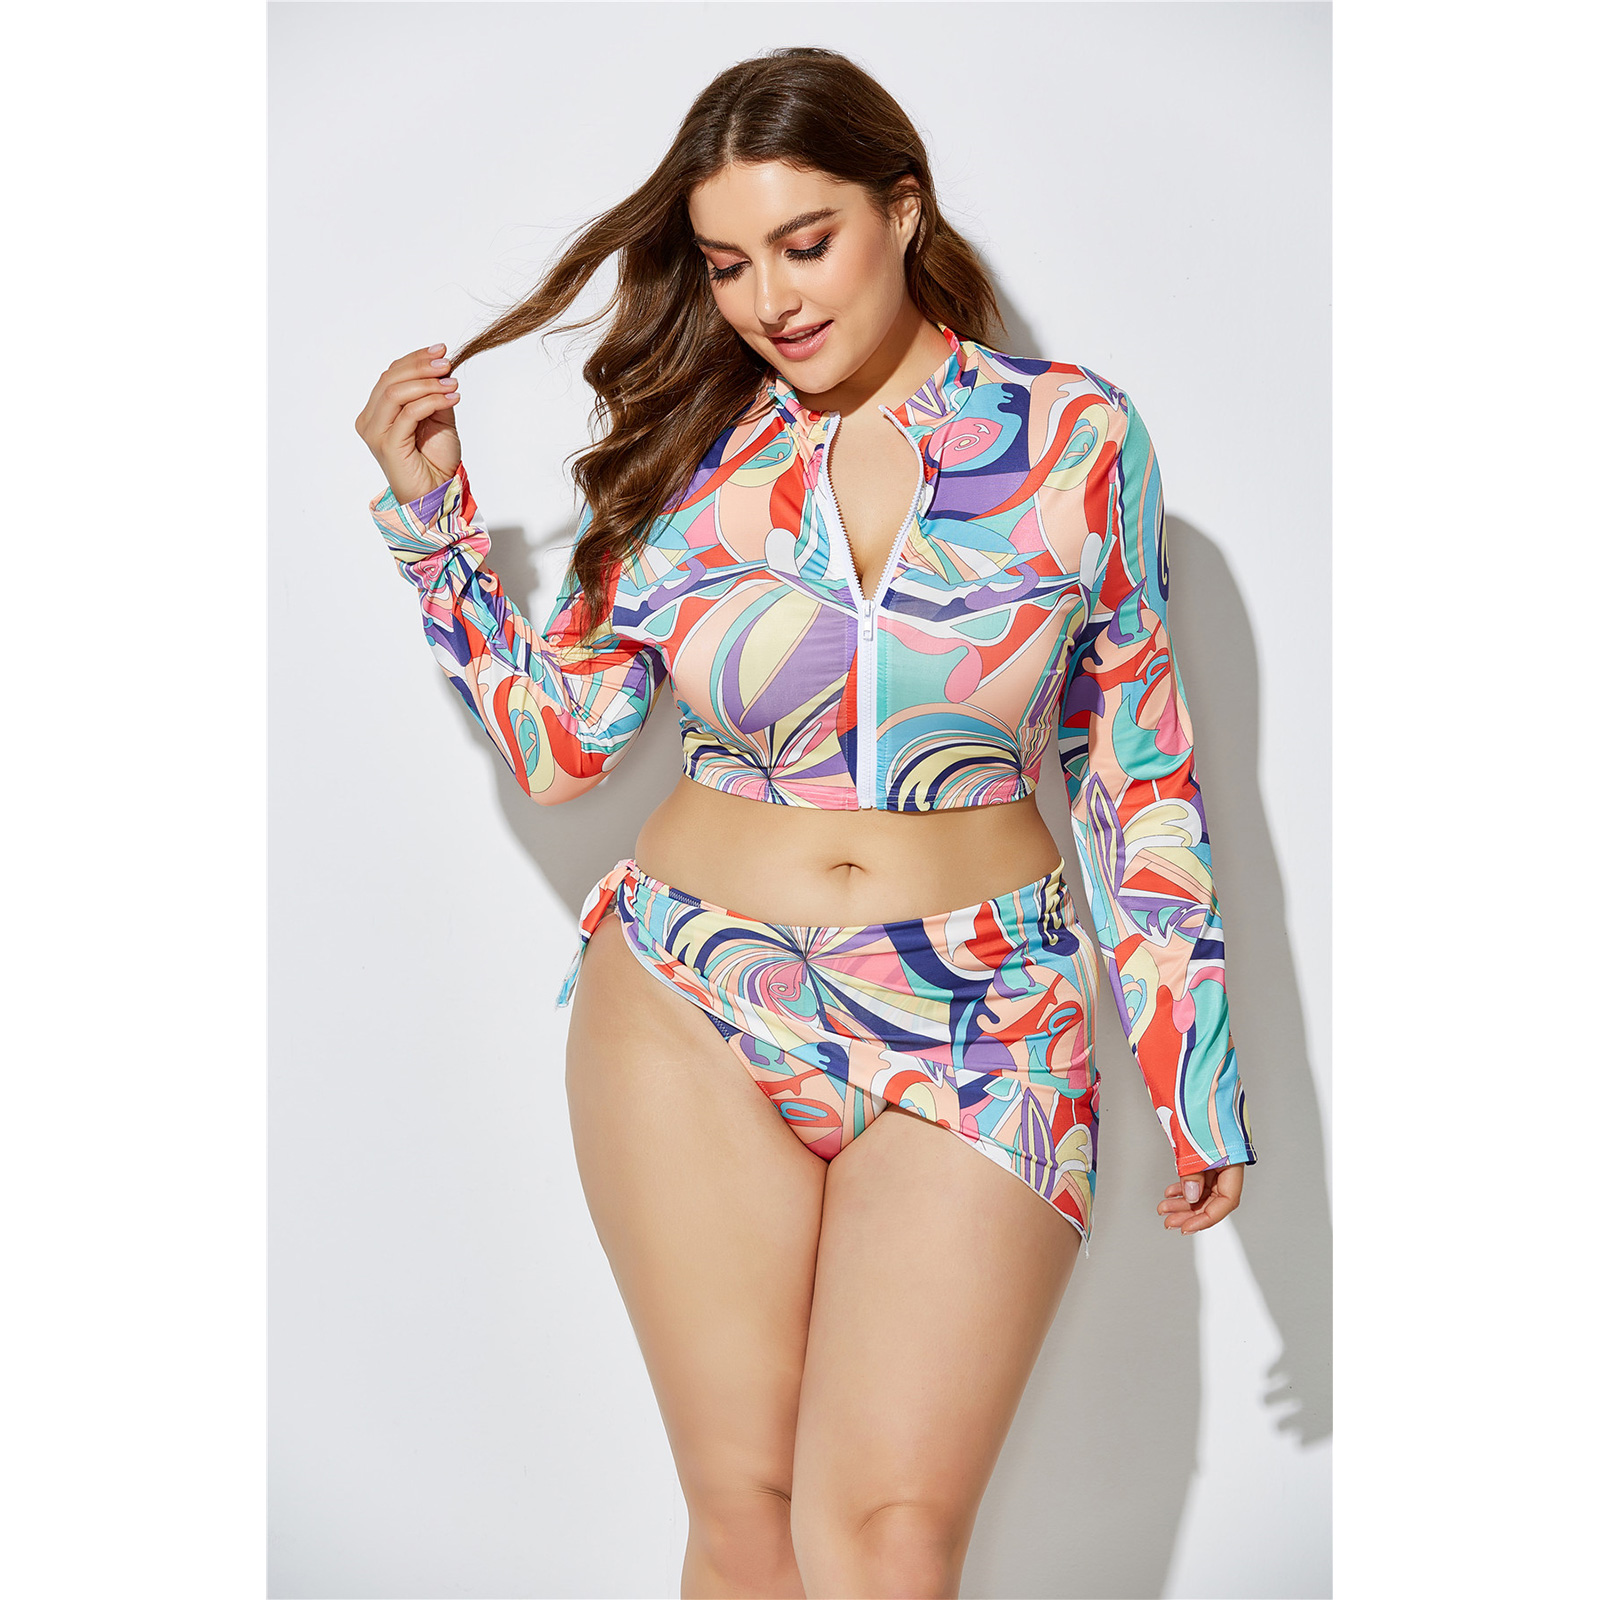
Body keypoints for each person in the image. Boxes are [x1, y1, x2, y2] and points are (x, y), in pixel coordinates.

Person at [354, 45, 1255, 1600]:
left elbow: (1136, 772)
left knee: (888, 1540)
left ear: (902, 209)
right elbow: (564, 750)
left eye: (805, 241)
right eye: (727, 264)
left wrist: (1196, 1072)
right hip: (689, 999)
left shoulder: (1074, 442)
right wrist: (434, 529)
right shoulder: (684, 457)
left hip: (984, 1018)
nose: (768, 298)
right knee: (749, 1517)